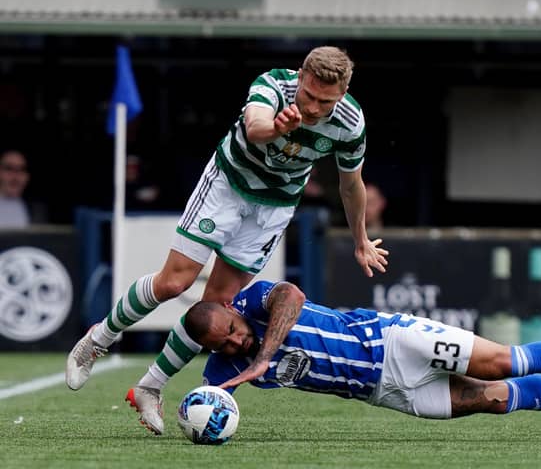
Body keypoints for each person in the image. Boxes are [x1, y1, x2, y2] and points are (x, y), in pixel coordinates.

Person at [65, 46, 389, 435]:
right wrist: (278, 128)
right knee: (174, 282)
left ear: (344, 91)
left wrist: (361, 240)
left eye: (326, 101)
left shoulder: (351, 121)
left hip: (274, 207)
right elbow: (254, 128)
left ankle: (150, 385)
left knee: (215, 308)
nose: (316, 108)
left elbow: (350, 185)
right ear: (300, 75)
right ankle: (98, 338)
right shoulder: (272, 85)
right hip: (227, 186)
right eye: (310, 96)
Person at [177, 279, 541, 428]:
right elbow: (203, 404)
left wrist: (264, 357)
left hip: (393, 340)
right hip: (385, 392)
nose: (237, 342)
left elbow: (291, 297)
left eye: (233, 331)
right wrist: (181, 404)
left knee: (504, 360)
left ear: (229, 308)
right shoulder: (223, 367)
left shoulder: (256, 298)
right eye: (225, 345)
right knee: (495, 399)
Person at [0, 149, 47, 228]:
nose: (15, 176)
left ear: (27, 177)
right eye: (9, 168)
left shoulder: (37, 210)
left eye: (21, 169)